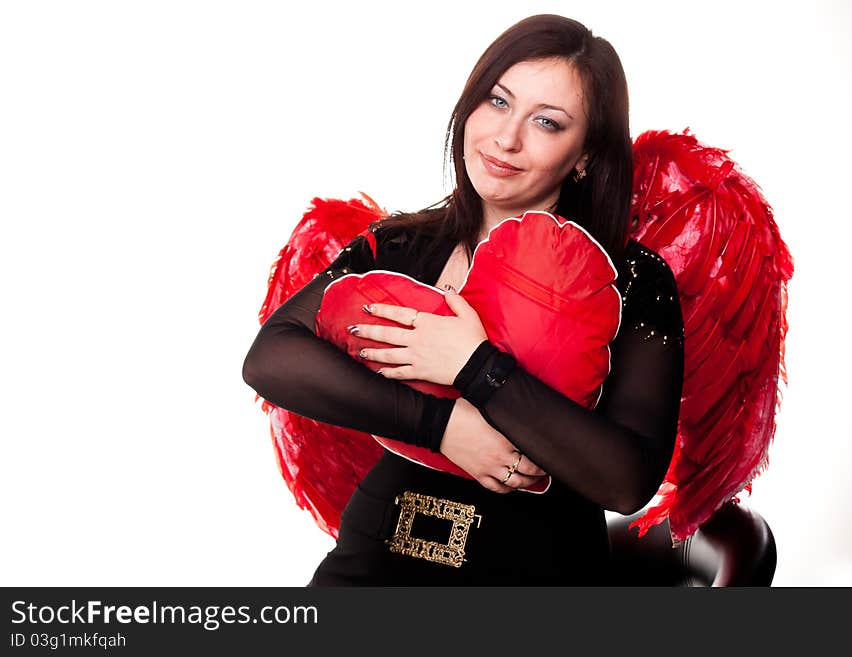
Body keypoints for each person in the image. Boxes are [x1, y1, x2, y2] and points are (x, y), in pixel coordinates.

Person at [242, 14, 684, 585]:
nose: (507, 138)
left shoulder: (631, 279)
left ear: (585, 155)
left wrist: (474, 366)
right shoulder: (399, 245)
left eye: (547, 122)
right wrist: (442, 425)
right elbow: (270, 357)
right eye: (498, 102)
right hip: (369, 565)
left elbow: (626, 481)